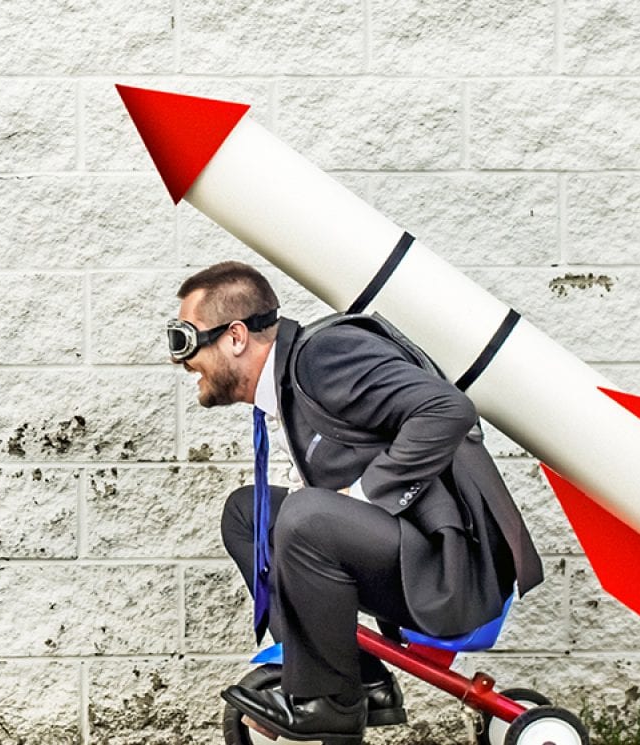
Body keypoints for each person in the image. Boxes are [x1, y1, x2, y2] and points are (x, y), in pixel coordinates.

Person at [167, 261, 542, 742]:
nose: (181, 360)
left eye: (187, 340)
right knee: (249, 513)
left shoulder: (323, 355)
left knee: (306, 515)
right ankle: (357, 678)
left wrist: (363, 496)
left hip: (450, 569)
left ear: (236, 336)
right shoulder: (290, 383)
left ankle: (328, 702)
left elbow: (447, 409)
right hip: (405, 553)